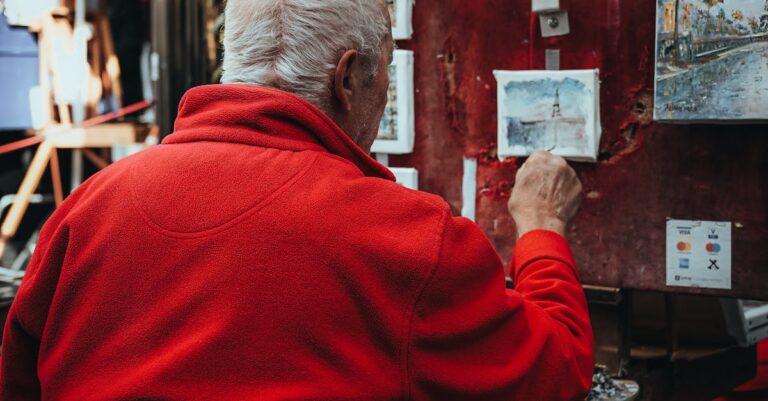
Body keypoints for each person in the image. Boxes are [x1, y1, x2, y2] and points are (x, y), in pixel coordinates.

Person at [0, 0, 593, 399]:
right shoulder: (410, 241)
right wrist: (541, 226)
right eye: (385, 73)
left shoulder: (83, 212)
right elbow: (559, 372)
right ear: (347, 77)